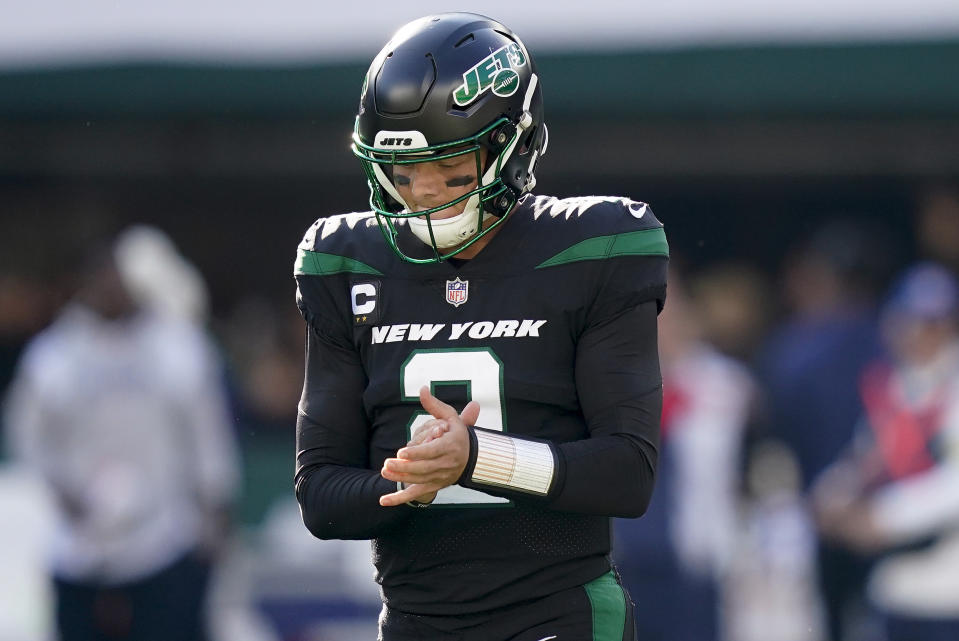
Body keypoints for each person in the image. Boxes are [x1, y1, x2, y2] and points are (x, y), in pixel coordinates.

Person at [293, 12, 668, 641]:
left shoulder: (594, 247)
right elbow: (321, 495)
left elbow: (629, 473)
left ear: (512, 147)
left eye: (452, 170)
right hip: (414, 621)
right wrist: (409, 482)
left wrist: (477, 460)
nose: (424, 194)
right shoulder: (343, 262)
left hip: (556, 612)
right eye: (403, 170)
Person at [4, 231, 241, 641]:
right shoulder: (54, 357)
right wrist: (61, 489)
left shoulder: (178, 348)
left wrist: (215, 507)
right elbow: (28, 438)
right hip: (79, 541)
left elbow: (208, 438)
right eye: (103, 277)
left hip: (166, 536)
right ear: (87, 282)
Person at [812, 262, 959, 641]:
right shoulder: (895, 387)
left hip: (948, 592)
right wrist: (831, 496)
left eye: (933, 324)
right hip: (895, 589)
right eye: (910, 321)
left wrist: (883, 519)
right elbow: (866, 459)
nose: (918, 335)